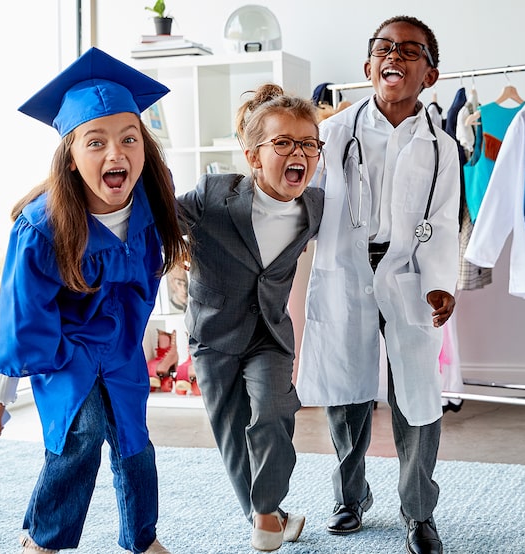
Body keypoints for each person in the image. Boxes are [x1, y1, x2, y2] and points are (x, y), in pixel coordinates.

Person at [0, 47, 188, 554]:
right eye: (97, 142)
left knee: (134, 441)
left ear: (144, 148)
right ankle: (43, 541)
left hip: (120, 347)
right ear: (71, 155)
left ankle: (142, 538)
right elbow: (22, 315)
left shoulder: (150, 213)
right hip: (65, 349)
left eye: (129, 139)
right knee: (80, 435)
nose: (117, 154)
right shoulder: (42, 226)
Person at [297, 16, 460, 554]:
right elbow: (306, 204)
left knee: (418, 395)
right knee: (346, 392)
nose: (396, 55)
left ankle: (419, 512)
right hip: (345, 269)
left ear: (429, 75)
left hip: (408, 273)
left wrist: (439, 282)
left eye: (411, 50)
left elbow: (438, 220)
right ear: (369, 66)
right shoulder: (333, 134)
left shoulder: (441, 146)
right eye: (385, 48)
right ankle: (351, 496)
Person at [176, 83, 325, 552]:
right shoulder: (213, 193)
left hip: (269, 333)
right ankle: (273, 515)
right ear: (254, 156)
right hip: (213, 334)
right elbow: (161, 219)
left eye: (308, 144)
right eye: (283, 143)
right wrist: (175, 245)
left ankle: (265, 513)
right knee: (232, 431)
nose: (298, 152)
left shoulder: (315, 207)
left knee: (275, 414)